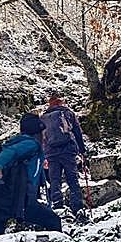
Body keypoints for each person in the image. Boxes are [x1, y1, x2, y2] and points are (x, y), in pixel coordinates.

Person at [0, 113, 61, 242]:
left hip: (1, 197)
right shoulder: (31, 144)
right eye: (43, 131)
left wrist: (41, 162)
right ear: (37, 131)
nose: (45, 135)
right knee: (53, 221)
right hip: (17, 198)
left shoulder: (27, 145)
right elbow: (12, 152)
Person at [42, 91, 88, 221]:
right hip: (68, 151)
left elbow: (42, 138)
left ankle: (57, 206)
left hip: (51, 154)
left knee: (54, 180)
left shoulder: (44, 117)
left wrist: (44, 155)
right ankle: (77, 207)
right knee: (72, 179)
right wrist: (82, 151)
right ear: (61, 102)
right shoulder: (68, 113)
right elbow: (77, 132)